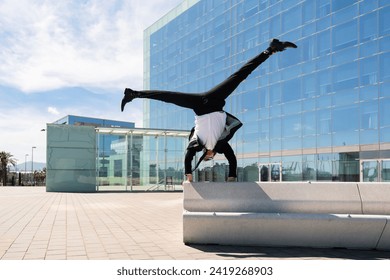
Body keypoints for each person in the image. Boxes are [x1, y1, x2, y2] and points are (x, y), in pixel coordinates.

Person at [121, 38, 297, 182]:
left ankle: (134, 94)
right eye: (211, 158)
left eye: (208, 157)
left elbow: (188, 156)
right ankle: (271, 49)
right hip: (216, 102)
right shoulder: (221, 144)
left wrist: (188, 174)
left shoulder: (197, 144)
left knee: (169, 97)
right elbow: (232, 158)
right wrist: (232, 176)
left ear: (205, 154)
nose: (211, 156)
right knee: (240, 76)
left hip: (200, 107)